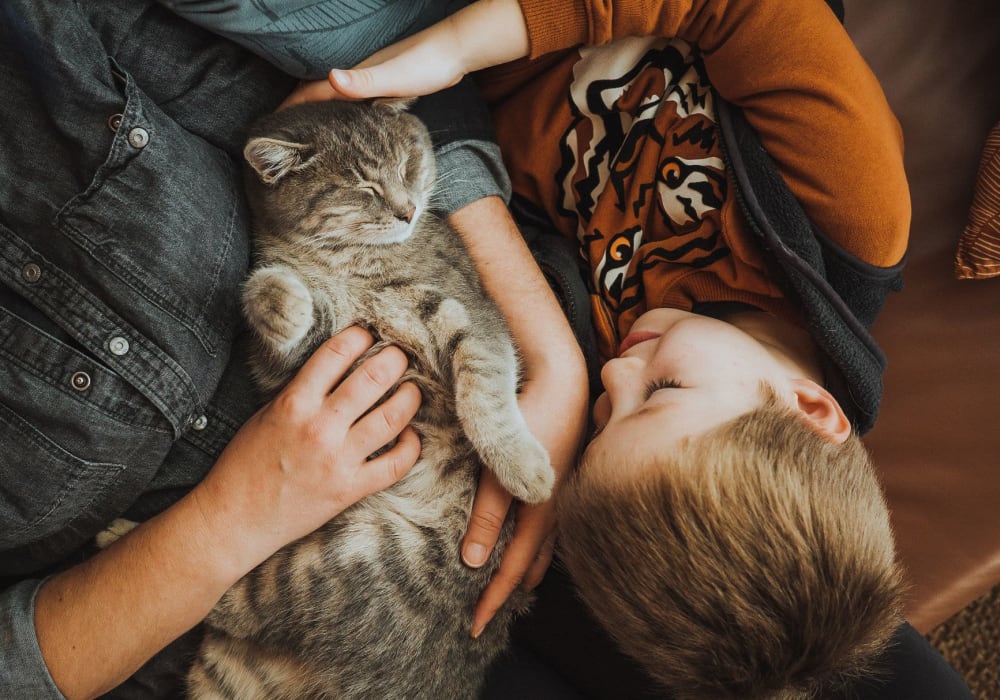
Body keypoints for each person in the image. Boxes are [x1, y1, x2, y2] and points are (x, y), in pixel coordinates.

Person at [294, 0, 977, 697]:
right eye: (660, 394)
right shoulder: (852, 209)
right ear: (812, 410)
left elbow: (452, 193)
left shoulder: (616, 354)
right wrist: (459, 46)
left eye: (601, 419)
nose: (617, 371)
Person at [0, 0, 587, 697]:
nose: (402, 211)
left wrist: (551, 356)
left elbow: (383, 68)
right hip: (202, 622)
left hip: (433, 511)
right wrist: (229, 524)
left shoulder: (44, 40)